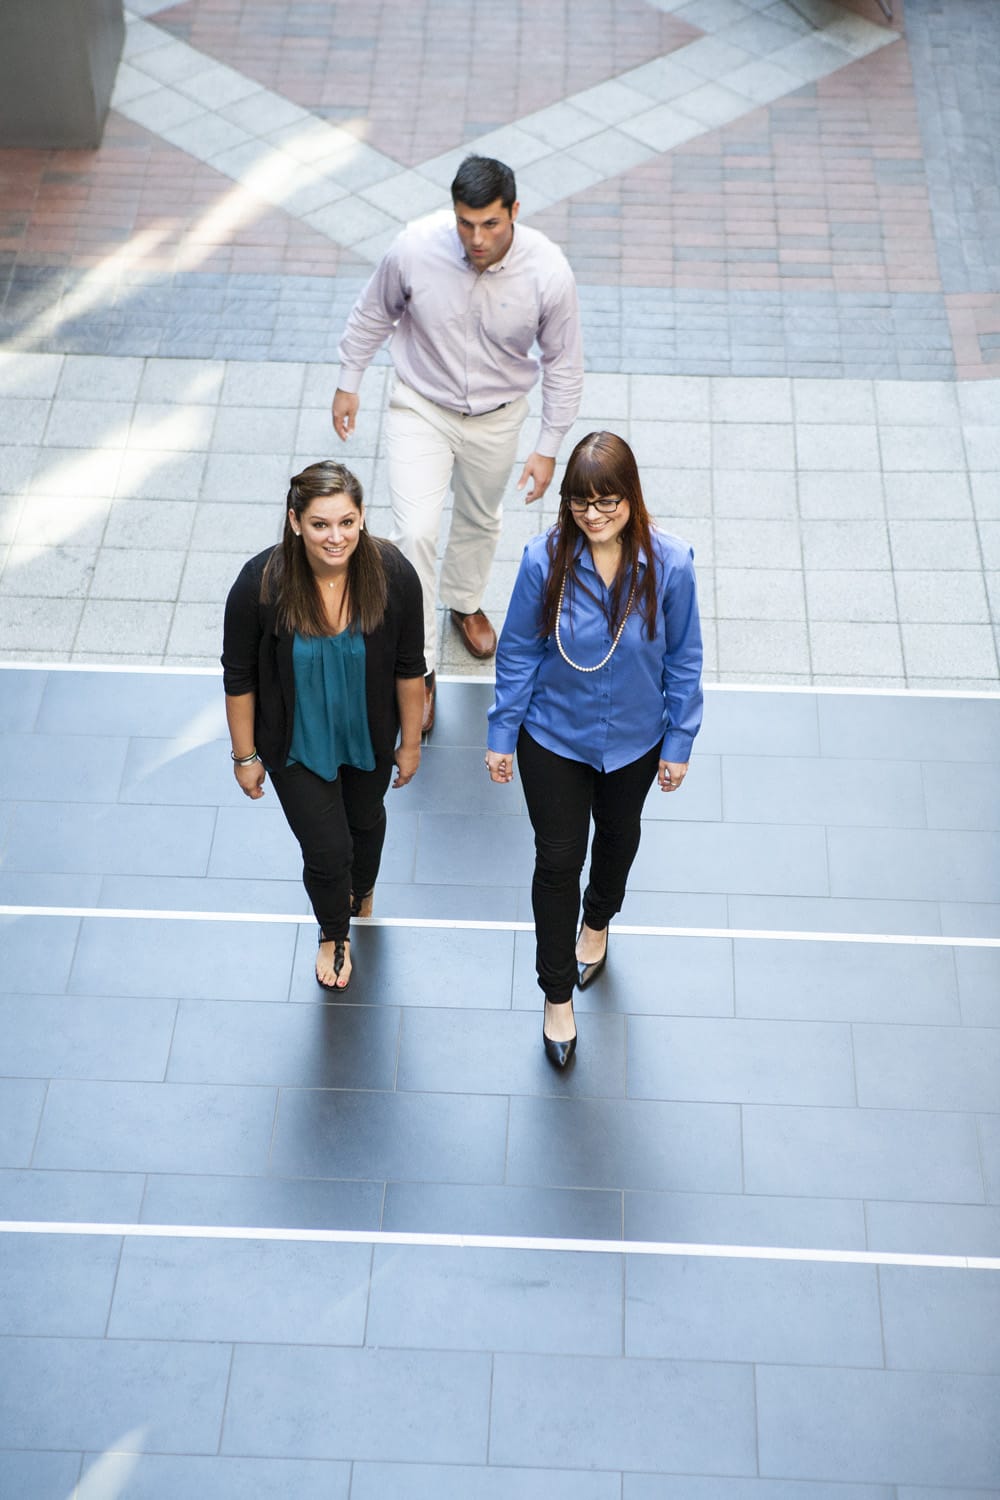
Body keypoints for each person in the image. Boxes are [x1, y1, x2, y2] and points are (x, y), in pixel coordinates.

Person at [331, 153, 584, 734]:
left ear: (514, 212)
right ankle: (416, 666)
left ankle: (464, 601)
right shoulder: (414, 249)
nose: (476, 237)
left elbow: (564, 363)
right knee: (414, 531)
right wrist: (350, 380)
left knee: (480, 517)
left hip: (497, 416)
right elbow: (373, 312)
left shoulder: (548, 272)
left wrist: (547, 445)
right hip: (421, 404)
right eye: (465, 223)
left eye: (490, 224)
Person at [486, 432, 703, 1067]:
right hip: (552, 737)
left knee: (617, 837)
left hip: (636, 741)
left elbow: (685, 660)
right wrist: (502, 733)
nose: (595, 515)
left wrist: (679, 739)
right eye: (582, 502)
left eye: (608, 501)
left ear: (631, 497)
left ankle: (599, 919)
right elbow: (520, 650)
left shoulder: (672, 565)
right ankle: (556, 995)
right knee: (556, 862)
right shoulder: (541, 560)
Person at [222, 460, 425, 992]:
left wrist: (410, 743)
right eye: (320, 524)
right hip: (296, 746)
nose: (336, 538)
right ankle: (334, 932)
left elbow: (409, 667)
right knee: (327, 850)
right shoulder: (259, 585)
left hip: (368, 739)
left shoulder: (394, 574)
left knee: (366, 824)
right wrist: (245, 757)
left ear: (361, 519)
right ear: (294, 522)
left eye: (347, 523)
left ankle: (362, 889)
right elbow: (239, 677)